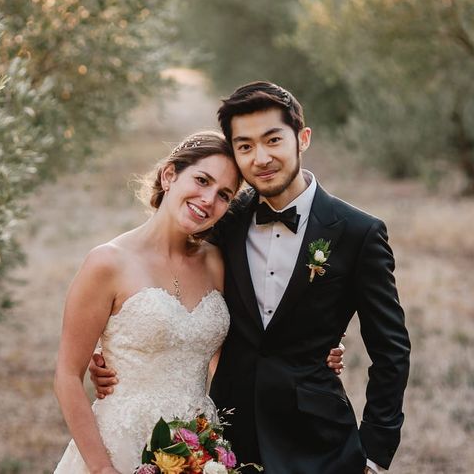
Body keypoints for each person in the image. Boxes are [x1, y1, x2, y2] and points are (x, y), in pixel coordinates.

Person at [91, 82, 411, 474]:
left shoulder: (358, 232)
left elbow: (391, 350)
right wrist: (122, 348)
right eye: (245, 146)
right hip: (226, 440)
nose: (261, 158)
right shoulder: (225, 218)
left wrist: (375, 455)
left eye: (273, 139)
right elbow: (163, 267)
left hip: (319, 444)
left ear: (302, 139)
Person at [54, 130, 344, 473]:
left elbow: (249, 347)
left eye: (223, 194)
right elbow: (67, 376)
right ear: (169, 175)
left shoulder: (218, 263)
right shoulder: (108, 263)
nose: (208, 199)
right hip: (119, 444)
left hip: (202, 447)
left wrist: (313, 351)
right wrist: (103, 469)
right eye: (201, 180)